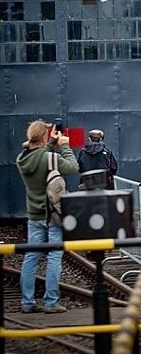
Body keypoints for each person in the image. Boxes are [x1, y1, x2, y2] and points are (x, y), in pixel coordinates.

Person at [16, 120, 79, 313]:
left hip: (34, 215)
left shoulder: (22, 158)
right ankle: (50, 302)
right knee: (54, 256)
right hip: (52, 215)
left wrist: (51, 144)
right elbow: (72, 167)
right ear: (44, 136)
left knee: (31, 257)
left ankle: (27, 302)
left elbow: (41, 159)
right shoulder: (50, 157)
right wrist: (65, 146)